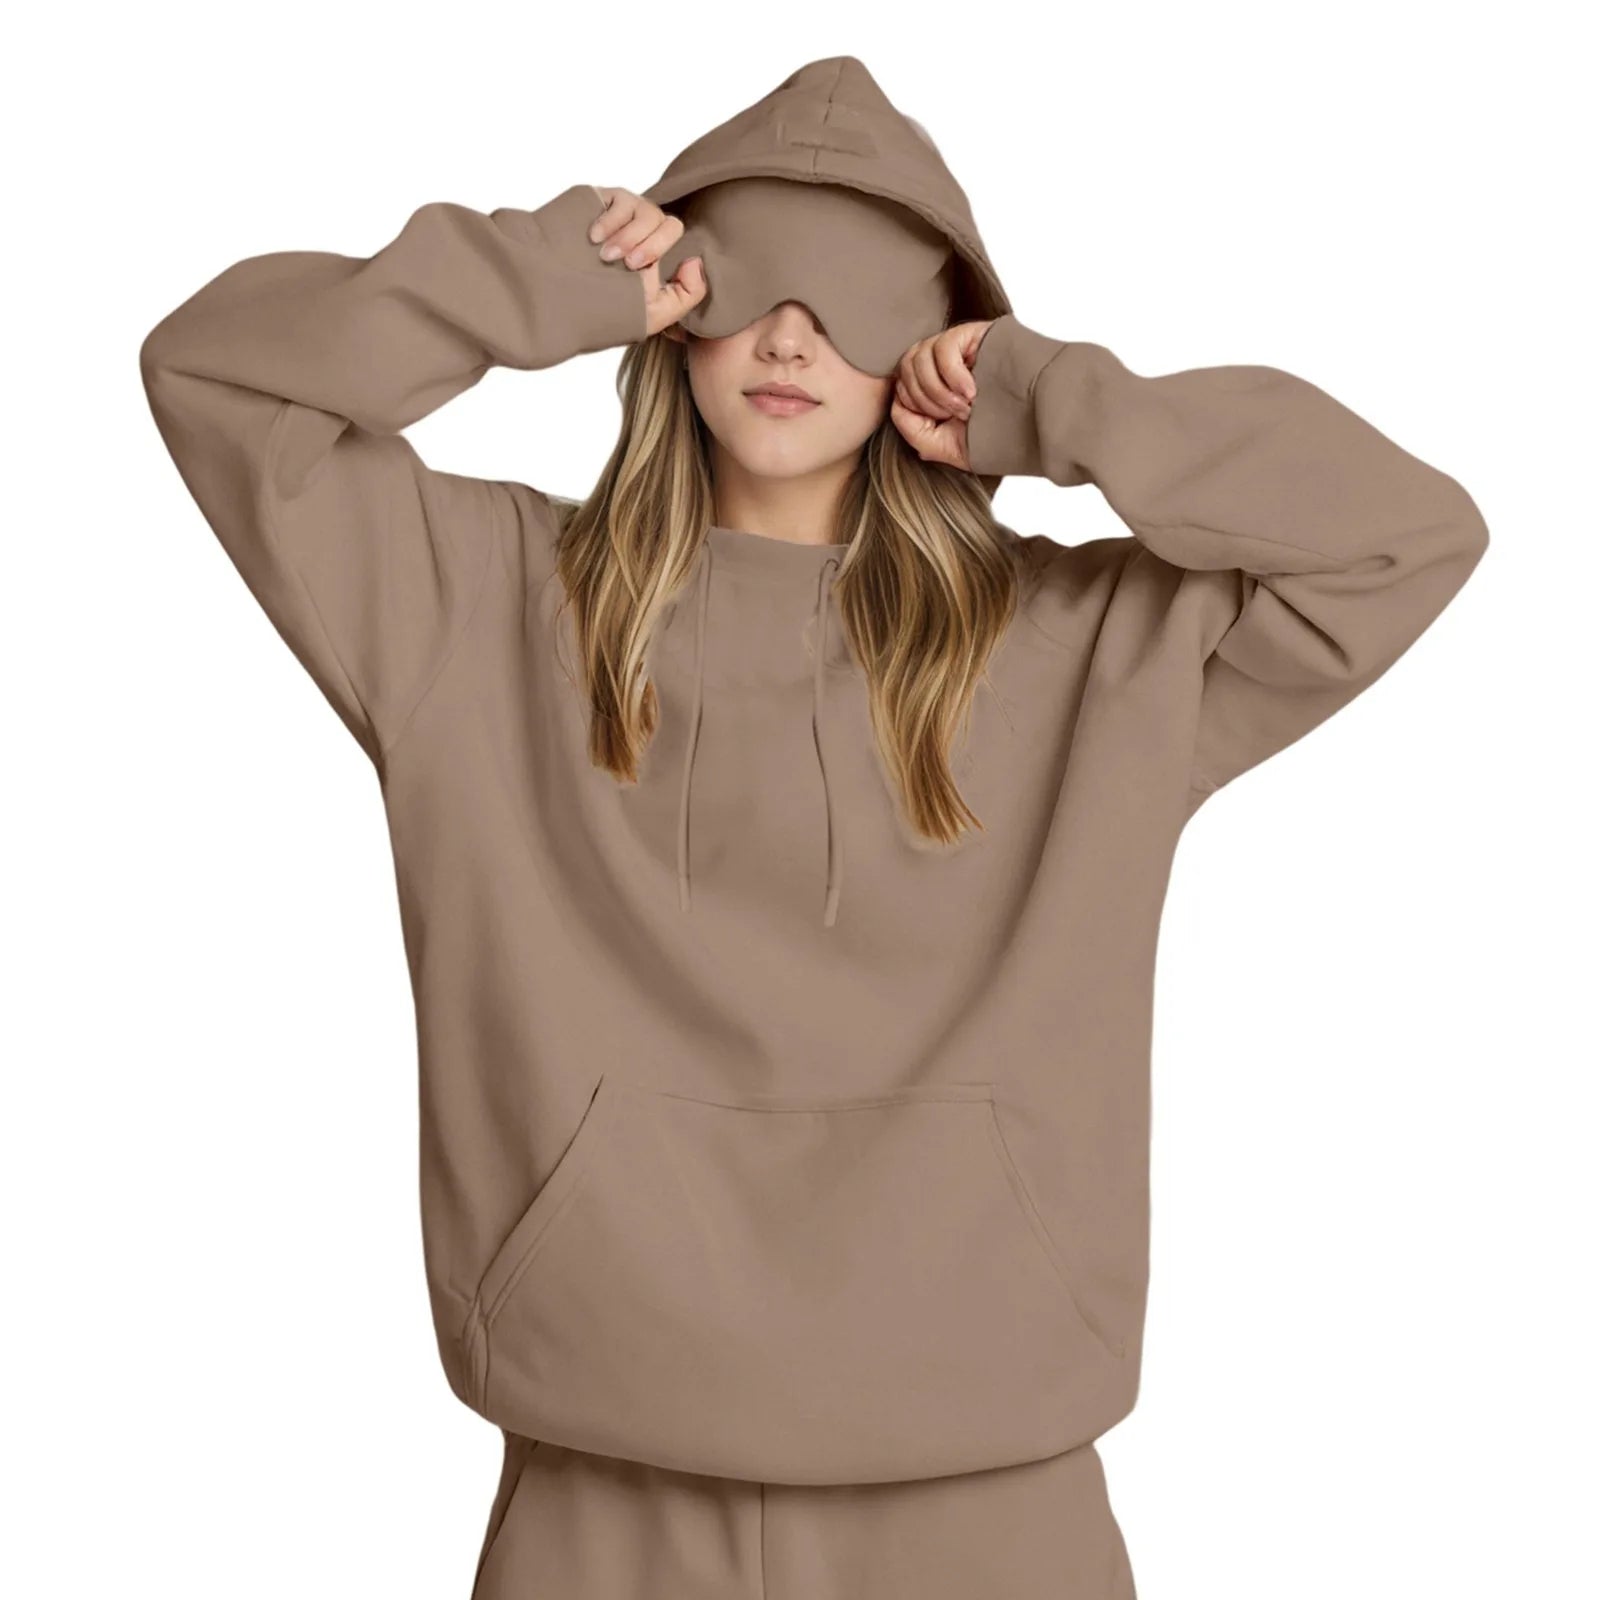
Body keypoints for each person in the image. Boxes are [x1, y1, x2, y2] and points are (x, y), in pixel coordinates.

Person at [138, 53, 1489, 1600]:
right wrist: (538, 282)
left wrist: (1054, 400)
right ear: (674, 301)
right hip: (602, 1482)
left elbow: (1401, 538)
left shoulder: (1086, 652)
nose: (790, 336)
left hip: (992, 1500)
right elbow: (218, 378)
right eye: (750, 279)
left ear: (937, 336)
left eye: (852, 297)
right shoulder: (481, 605)